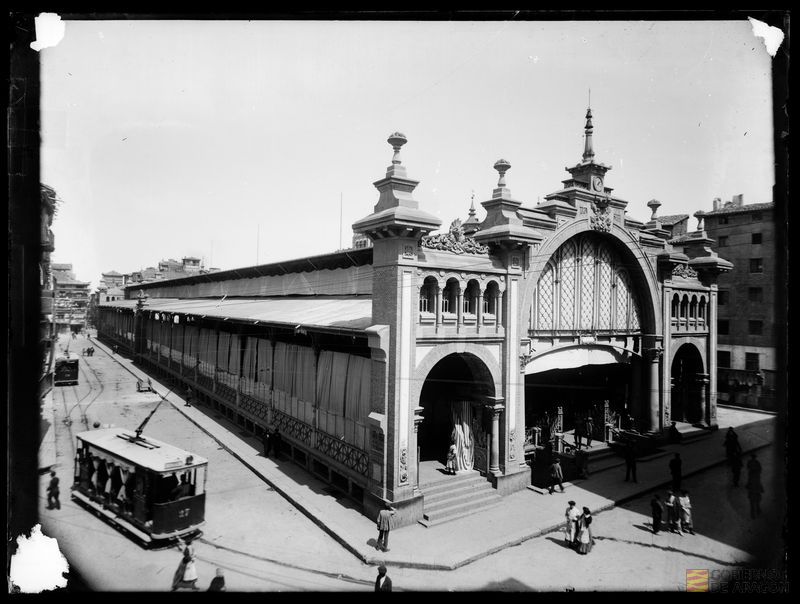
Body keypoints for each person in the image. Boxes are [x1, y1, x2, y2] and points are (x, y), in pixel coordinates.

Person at [746, 453, 763, 519]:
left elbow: (748, 467)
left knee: (752, 504)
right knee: (757, 502)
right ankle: (758, 511)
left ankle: (753, 514)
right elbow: (760, 469)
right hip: (756, 491)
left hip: (752, 492)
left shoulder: (749, 462)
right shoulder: (757, 463)